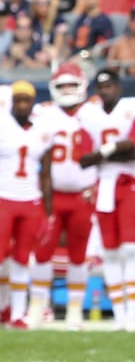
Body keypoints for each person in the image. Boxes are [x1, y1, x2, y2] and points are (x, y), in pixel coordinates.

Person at [77, 70, 135, 332]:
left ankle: (132, 315)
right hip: (104, 186)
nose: (106, 90)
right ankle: (120, 316)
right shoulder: (88, 114)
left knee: (130, 249)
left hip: (130, 183)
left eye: (110, 85)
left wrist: (103, 151)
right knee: (109, 252)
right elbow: (83, 158)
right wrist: (113, 150)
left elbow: (134, 148)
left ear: (118, 87)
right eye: (101, 86)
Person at [32, 64, 96, 330]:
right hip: (52, 194)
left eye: (72, 85)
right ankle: (37, 306)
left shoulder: (94, 112)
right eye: (62, 86)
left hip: (83, 194)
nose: (67, 91)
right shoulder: (42, 113)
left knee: (79, 254)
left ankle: (74, 310)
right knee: (42, 251)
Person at [1, 81, 52, 329]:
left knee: (22, 258)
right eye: (18, 99)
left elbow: (46, 173)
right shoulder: (2, 124)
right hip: (3, 197)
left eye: (26, 100)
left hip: (30, 199)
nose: (22, 104)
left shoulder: (42, 129)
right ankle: (3, 307)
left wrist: (48, 211)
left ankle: (18, 314)